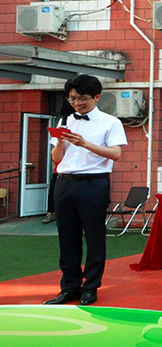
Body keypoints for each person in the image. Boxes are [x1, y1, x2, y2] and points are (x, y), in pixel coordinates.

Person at [44, 74, 127, 306]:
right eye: (72, 99)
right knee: (67, 238)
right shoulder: (64, 121)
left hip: (94, 182)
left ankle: (90, 287)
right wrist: (61, 142)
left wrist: (85, 144)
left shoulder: (111, 122)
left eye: (83, 99)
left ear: (96, 97)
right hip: (64, 182)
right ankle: (69, 287)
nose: (77, 103)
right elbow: (56, 158)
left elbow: (116, 154)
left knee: (94, 236)